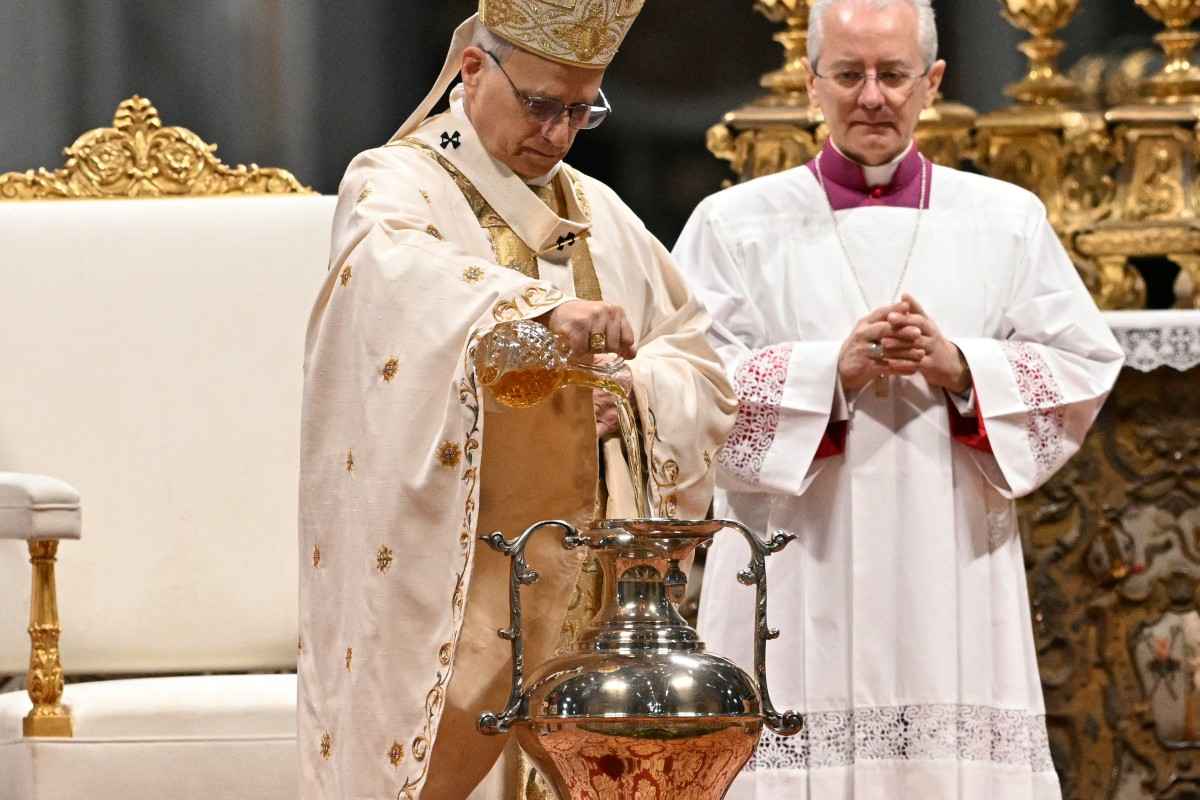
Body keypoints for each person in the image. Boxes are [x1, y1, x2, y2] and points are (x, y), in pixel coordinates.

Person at [673, 0, 1125, 797]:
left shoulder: (1005, 220)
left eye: (892, 75)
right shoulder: (734, 224)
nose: (872, 96)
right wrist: (828, 374)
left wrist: (961, 369)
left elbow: (1083, 363)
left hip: (948, 549)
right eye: (849, 75)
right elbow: (685, 385)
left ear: (933, 82)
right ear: (812, 83)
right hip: (795, 550)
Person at [297, 2, 735, 798]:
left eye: (581, 111)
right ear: (472, 71)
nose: (559, 134)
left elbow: (701, 365)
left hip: (591, 590)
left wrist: (629, 394)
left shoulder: (597, 211)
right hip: (455, 582)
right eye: (539, 104)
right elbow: (390, 281)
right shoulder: (397, 181)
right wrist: (535, 313)